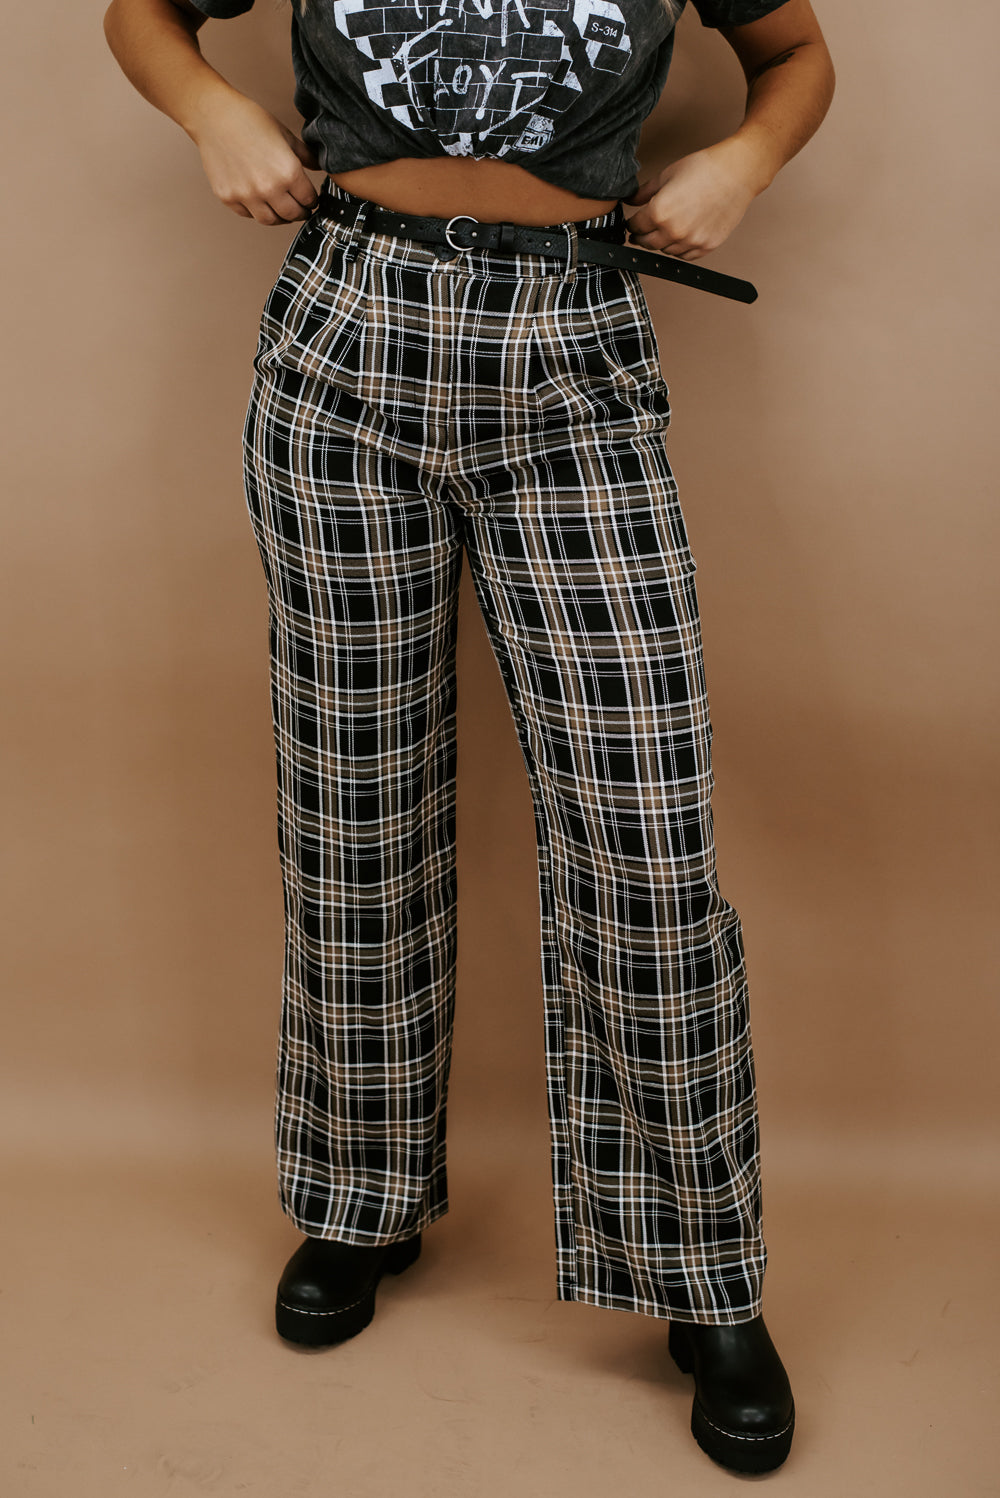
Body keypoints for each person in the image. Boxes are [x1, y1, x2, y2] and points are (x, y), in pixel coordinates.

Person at [103, 0, 834, 1474]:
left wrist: (743, 161)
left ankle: (699, 1264)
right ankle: (359, 1196)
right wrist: (216, 114)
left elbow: (798, 56)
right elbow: (142, 15)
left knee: (645, 832)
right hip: (343, 334)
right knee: (354, 804)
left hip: (572, 340)